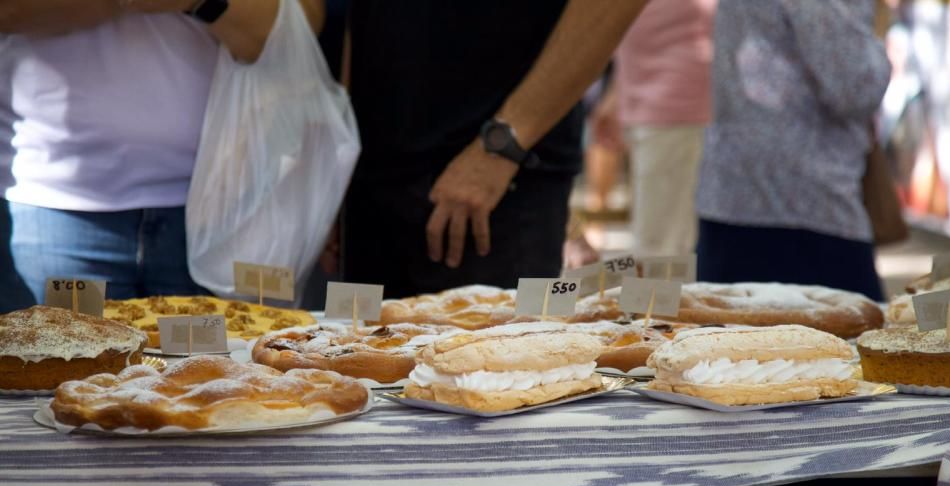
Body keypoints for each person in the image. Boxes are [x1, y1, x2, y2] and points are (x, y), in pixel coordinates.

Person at [0, 0, 324, 303]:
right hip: (56, 203)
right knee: (64, 361)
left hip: (223, 210)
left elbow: (300, 26)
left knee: (222, 361)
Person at [338, 0, 648, 298]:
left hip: (496, 182)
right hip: (372, 176)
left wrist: (504, 144)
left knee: (499, 347)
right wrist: (337, 166)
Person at [695, 0, 890, 301]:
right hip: (805, 204)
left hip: (738, 198)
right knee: (850, 342)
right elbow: (856, 87)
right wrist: (879, 44)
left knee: (730, 340)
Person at [592, 0, 716, 257]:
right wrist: (617, 93)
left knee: (659, 247)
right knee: (656, 240)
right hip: (645, 100)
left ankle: (659, 297)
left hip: (676, 103)